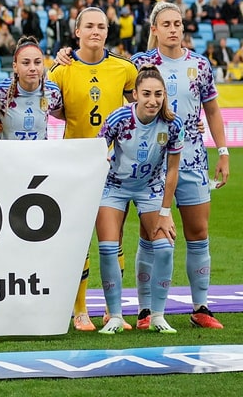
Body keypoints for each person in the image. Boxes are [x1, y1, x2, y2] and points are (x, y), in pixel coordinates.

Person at [131, 1, 230, 329]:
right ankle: (145, 310)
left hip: (193, 161)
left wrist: (223, 151)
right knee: (153, 236)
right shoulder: (141, 64)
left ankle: (201, 307)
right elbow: (127, 106)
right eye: (166, 24)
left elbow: (212, 110)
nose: (173, 29)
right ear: (155, 29)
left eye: (177, 23)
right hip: (153, 166)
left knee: (198, 233)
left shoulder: (200, 65)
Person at [50, 6, 138, 332]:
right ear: (77, 32)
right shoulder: (61, 70)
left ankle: (113, 311)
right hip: (75, 166)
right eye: (89, 26)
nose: (95, 31)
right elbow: (54, 110)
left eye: (101, 26)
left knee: (112, 238)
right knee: (79, 239)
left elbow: (140, 104)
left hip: (113, 166)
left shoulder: (124, 68)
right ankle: (80, 311)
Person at [96, 66, 183, 334]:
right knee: (108, 248)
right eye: (146, 94)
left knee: (165, 248)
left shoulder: (172, 124)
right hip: (114, 186)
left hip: (150, 188)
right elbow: (97, 149)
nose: (152, 100)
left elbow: (172, 170)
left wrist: (165, 211)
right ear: (135, 94)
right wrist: (102, 157)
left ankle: (157, 316)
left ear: (164, 95)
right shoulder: (119, 118)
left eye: (158, 94)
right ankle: (114, 316)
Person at [0, 37, 64, 140]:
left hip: (40, 150)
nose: (32, 68)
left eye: (37, 62)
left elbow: (63, 115)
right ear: (15, 67)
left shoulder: (53, 92)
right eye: (26, 63)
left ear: (43, 65)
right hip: (5, 151)